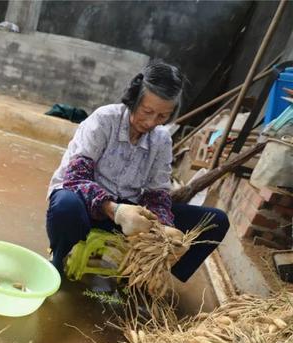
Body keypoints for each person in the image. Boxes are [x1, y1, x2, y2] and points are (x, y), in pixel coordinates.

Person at [46, 60, 229, 285]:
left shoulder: (161, 140)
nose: (151, 122)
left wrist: (163, 227)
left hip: (130, 217)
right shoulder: (105, 120)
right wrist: (115, 210)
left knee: (216, 221)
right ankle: (59, 256)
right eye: (147, 111)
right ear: (134, 99)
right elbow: (75, 178)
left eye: (162, 116)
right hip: (88, 208)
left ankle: (152, 271)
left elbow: (157, 194)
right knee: (66, 205)